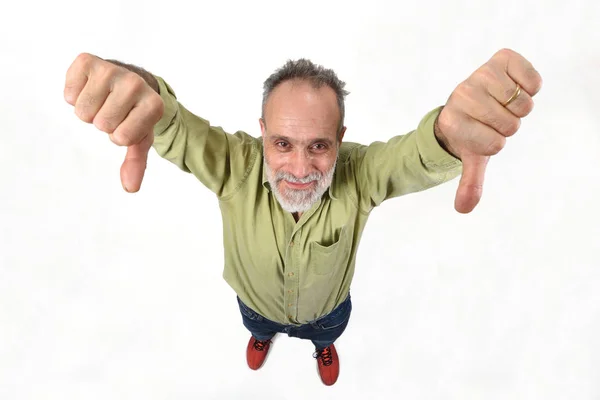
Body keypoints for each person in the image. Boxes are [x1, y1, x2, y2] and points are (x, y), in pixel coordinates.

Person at [63, 48, 542, 386]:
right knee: (256, 324)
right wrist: (139, 89)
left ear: (340, 138)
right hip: (254, 304)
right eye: (282, 144)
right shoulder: (235, 165)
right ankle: (261, 335)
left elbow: (413, 156)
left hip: (328, 314)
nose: (298, 168)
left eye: (319, 146)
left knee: (327, 332)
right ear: (263, 134)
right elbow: (172, 123)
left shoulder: (360, 174)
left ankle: (322, 347)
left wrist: (447, 136)